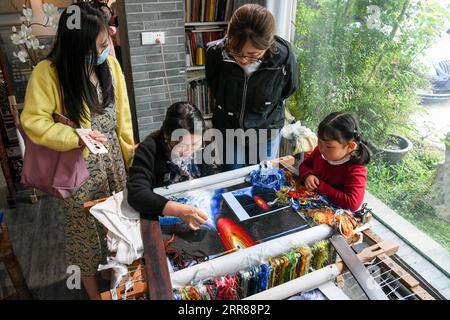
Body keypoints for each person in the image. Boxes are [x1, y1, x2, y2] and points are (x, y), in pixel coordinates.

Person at [20, 3, 134, 299]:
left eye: (105, 43)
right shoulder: (49, 73)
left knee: (117, 227)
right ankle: (95, 295)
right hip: (78, 172)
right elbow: (33, 122)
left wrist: (130, 155)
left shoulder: (110, 65)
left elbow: (123, 117)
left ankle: (117, 282)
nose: (104, 49)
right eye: (96, 46)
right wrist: (74, 136)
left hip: (114, 166)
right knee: (86, 237)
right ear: (75, 45)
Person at [205, 4, 299, 171]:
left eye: (254, 55)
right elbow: (215, 87)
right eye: (236, 51)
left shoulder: (284, 56)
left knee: (262, 180)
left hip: (266, 130)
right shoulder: (215, 53)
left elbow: (289, 88)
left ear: (268, 44)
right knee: (233, 179)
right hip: (228, 129)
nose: (243, 60)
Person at [127, 102, 211, 229]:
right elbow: (136, 193)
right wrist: (180, 210)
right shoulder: (149, 149)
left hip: (198, 211)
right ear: (167, 136)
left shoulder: (202, 150)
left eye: (194, 144)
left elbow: (210, 180)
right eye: (181, 146)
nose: (188, 152)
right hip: (167, 217)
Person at [298, 112, 372, 211]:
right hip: (311, 205)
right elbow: (305, 165)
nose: (321, 149)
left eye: (329, 146)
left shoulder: (355, 169)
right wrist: (308, 175)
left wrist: (320, 186)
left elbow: (352, 203)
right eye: (319, 142)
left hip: (334, 215)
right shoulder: (320, 152)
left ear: (350, 146)